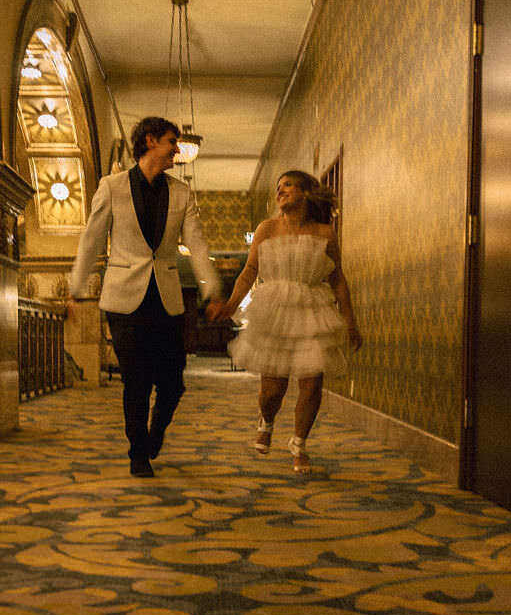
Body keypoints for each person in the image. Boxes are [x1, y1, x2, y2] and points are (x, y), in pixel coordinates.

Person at [67, 116, 222, 477]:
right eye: (172, 141)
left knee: (173, 384)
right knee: (135, 380)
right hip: (123, 300)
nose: (176, 150)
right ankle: (138, 453)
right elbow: (90, 240)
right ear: (150, 141)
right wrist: (76, 288)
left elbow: (197, 244)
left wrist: (211, 289)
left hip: (167, 300)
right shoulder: (111, 187)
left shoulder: (182, 192)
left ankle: (155, 433)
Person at [214, 169, 361, 473]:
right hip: (275, 311)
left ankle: (299, 444)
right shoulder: (266, 229)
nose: (280, 191)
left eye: (288, 185)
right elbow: (249, 271)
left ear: (306, 193)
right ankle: (266, 420)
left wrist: (350, 321)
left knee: (311, 382)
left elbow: (338, 280)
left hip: (313, 309)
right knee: (272, 390)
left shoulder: (324, 234)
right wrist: (231, 304)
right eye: (278, 187)